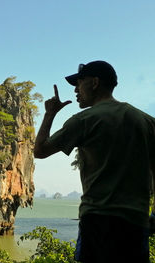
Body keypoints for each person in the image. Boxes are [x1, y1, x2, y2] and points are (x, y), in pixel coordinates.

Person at [34, 60, 155, 263]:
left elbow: (40, 151)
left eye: (79, 82)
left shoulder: (84, 120)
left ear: (95, 82)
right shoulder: (146, 122)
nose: (75, 90)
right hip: (136, 223)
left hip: (98, 221)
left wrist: (49, 113)